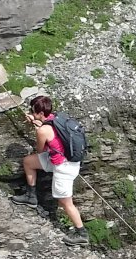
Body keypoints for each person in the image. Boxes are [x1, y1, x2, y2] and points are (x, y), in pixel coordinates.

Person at [10, 95, 87, 246]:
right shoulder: (56, 118)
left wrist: (38, 129)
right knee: (28, 162)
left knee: (66, 203)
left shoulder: (43, 130)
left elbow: (40, 149)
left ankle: (82, 234)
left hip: (63, 168)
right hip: (62, 161)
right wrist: (38, 123)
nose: (31, 113)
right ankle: (31, 197)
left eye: (32, 111)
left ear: (39, 112)